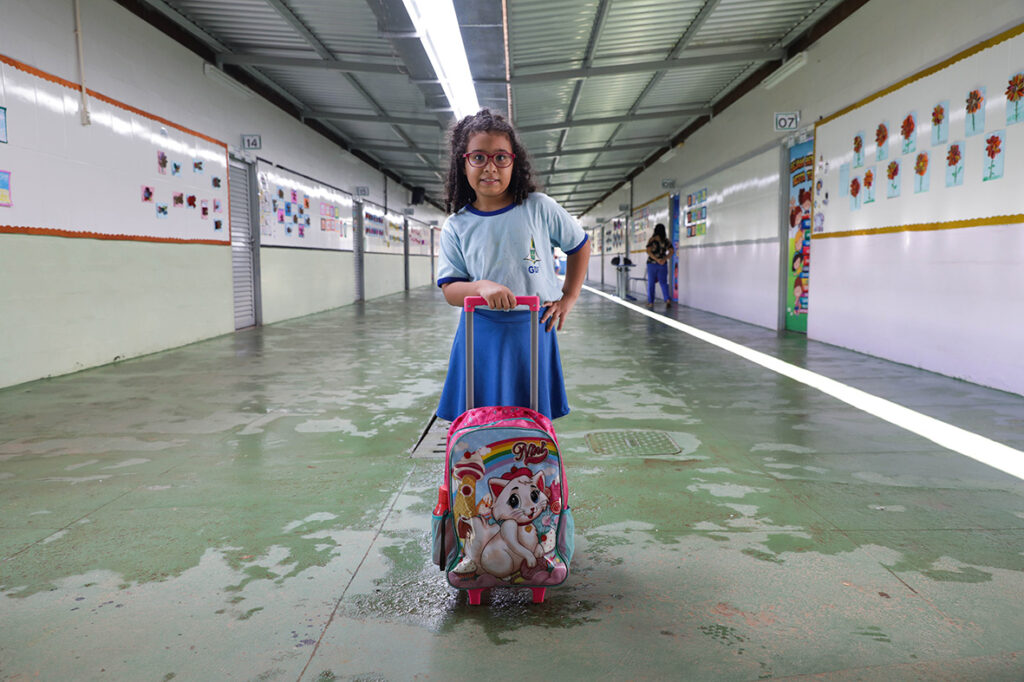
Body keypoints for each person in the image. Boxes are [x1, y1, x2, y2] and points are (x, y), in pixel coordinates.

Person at [435, 109, 591, 422]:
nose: (490, 167)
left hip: (533, 329)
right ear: (463, 163)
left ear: (513, 162)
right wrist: (481, 287)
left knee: (531, 420)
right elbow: (450, 290)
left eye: (501, 157)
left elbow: (579, 244)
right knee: (480, 419)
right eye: (478, 157)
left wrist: (569, 297)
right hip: (480, 331)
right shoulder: (457, 225)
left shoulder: (539, 208)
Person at [645, 223, 674, 309]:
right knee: (663, 283)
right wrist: (665, 259)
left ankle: (651, 302)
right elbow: (672, 251)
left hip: (652, 264)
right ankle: (667, 300)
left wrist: (656, 259)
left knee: (651, 283)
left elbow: (648, 251)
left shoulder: (652, 240)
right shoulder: (666, 240)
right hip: (662, 264)